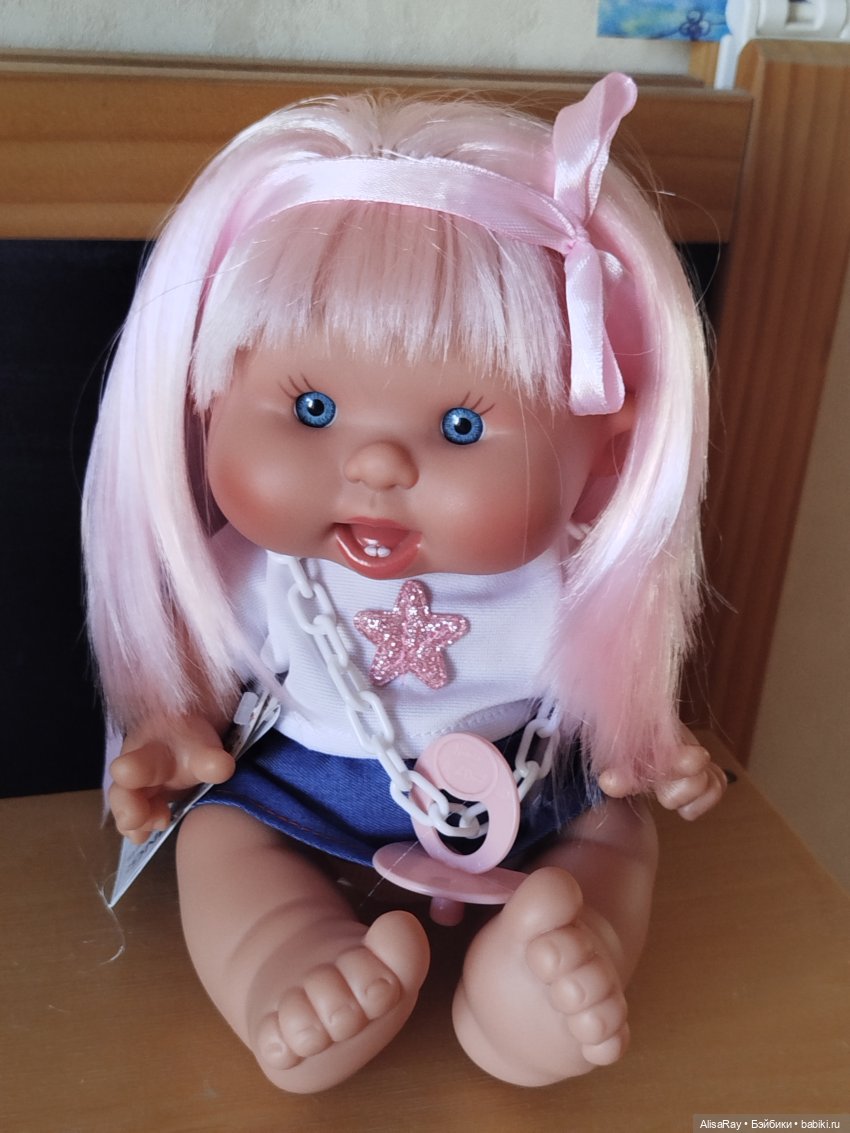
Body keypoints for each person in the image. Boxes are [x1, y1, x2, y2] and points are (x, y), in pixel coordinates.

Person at [83, 73, 726, 1093]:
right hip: (306, 799)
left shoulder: (575, 578)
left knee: (614, 836)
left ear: (602, 444)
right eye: (312, 409)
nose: (376, 466)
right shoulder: (260, 573)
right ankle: (288, 961)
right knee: (222, 840)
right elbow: (203, 675)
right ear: (209, 393)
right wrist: (171, 728)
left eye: (462, 427)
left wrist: (649, 744)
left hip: (525, 795)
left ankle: (534, 988)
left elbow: (610, 699)